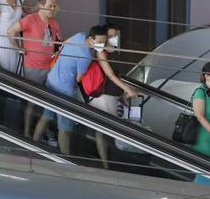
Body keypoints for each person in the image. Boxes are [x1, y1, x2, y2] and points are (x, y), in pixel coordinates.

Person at [81, 23, 139, 168]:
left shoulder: (114, 51)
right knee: (105, 130)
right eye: (111, 36)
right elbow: (111, 76)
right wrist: (128, 89)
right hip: (104, 96)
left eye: (116, 35)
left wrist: (125, 90)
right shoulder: (101, 52)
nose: (114, 38)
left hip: (114, 96)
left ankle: (109, 162)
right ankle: (106, 164)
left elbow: (118, 75)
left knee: (107, 130)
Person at [43, 25, 106, 156]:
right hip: (65, 90)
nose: (101, 45)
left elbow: (64, 44)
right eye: (99, 42)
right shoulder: (86, 57)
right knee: (65, 128)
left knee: (46, 117)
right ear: (91, 39)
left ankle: (33, 143)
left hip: (51, 79)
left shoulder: (79, 35)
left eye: (103, 42)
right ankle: (65, 158)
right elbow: (78, 78)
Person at [6, 0, 61, 137]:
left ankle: (43, 130)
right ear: (41, 6)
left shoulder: (54, 23)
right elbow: (10, 31)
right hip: (33, 67)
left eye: (54, 6)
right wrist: (18, 47)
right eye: (50, 6)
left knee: (46, 103)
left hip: (49, 68)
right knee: (32, 102)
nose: (52, 9)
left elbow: (58, 42)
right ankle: (27, 133)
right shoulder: (31, 19)